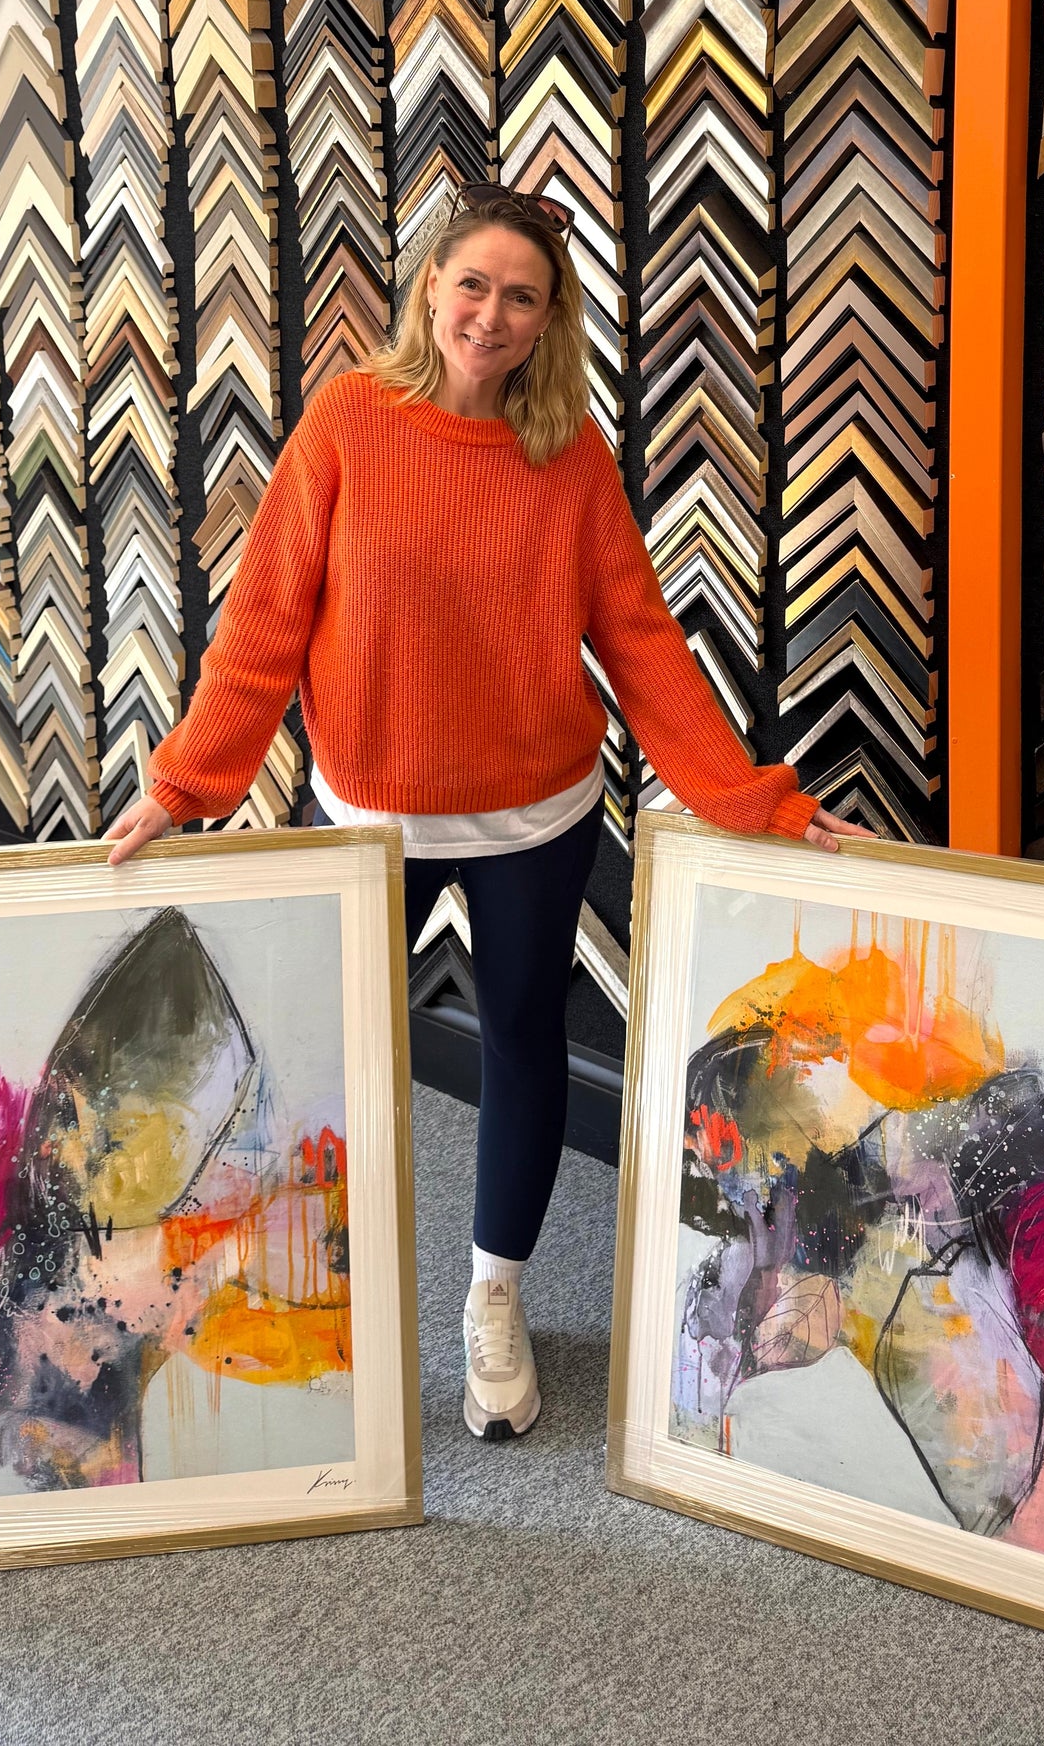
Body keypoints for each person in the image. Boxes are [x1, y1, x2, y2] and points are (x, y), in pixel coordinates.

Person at [104, 182, 862, 1442]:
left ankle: (493, 1297)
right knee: (325, 1049)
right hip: (372, 809)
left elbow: (639, 641)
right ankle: (300, 1294)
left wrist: (750, 798)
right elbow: (264, 625)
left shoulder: (567, 458)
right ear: (430, 288)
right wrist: (186, 783)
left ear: (547, 316)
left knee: (518, 1036)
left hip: (533, 810)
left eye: (521, 295)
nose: (490, 314)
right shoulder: (348, 420)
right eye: (473, 285)